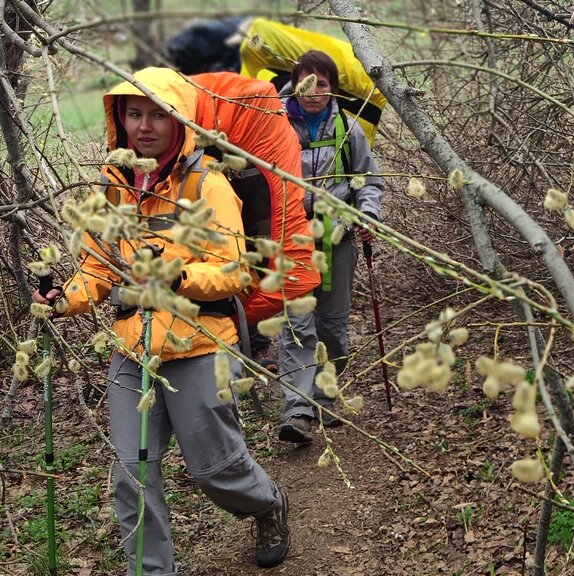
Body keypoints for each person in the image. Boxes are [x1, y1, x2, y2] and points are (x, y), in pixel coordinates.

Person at [33, 67, 290, 573]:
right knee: (132, 473)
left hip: (200, 342)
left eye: (158, 114)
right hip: (134, 348)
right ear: (120, 120)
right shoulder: (109, 189)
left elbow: (237, 272)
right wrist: (64, 298)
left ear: (179, 122)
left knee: (215, 469)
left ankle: (267, 504)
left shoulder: (207, 184)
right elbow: (96, 269)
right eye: (135, 114)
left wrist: (176, 278)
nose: (145, 126)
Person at [275, 50, 384, 443]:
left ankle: (324, 397)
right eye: (307, 83)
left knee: (333, 327)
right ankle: (298, 410)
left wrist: (367, 215)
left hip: (338, 240)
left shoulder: (348, 128)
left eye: (322, 84)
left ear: (333, 88)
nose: (314, 91)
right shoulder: (276, 124)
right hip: (292, 239)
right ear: (295, 82)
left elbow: (368, 181)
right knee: (297, 324)